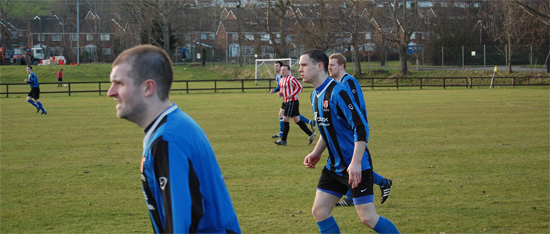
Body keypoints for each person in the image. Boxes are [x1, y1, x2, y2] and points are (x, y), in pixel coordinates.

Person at [107, 45, 241, 233]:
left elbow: (180, 225)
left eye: (119, 83)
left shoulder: (167, 140)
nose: (110, 92)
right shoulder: (172, 127)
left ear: (147, 87)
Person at [300, 50, 399, 234]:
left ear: (319, 66)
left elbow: (361, 128)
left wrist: (355, 162)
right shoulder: (314, 95)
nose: (300, 70)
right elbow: (326, 128)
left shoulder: (339, 92)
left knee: (368, 218)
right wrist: (316, 152)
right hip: (334, 167)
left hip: (355, 166)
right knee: (319, 211)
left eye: (304, 65)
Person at [328, 53, 392, 206]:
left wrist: (356, 130)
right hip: (346, 132)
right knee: (350, 162)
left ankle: (381, 183)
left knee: (360, 164)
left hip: (354, 132)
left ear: (342, 66)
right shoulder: (339, 83)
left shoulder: (349, 82)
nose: (329, 68)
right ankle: (379, 184)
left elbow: (355, 109)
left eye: (332, 65)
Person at [270, 61, 315, 139]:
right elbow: (282, 88)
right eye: (282, 70)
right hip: (285, 102)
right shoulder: (281, 79)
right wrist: (280, 93)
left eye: (284, 70)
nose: (282, 71)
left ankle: (283, 139)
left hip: (292, 102)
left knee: (285, 119)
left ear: (289, 71)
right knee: (296, 120)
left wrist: (292, 95)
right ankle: (310, 133)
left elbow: (300, 87)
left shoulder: (291, 79)